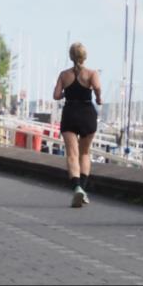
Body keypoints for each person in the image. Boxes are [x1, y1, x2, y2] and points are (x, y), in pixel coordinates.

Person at [53, 42, 102, 208]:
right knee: (85, 154)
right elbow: (97, 89)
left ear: (71, 57)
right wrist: (98, 98)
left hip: (70, 113)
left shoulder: (63, 75)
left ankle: (77, 188)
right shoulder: (92, 73)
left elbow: (56, 95)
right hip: (87, 114)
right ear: (85, 56)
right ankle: (84, 189)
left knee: (72, 155)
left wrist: (67, 92)